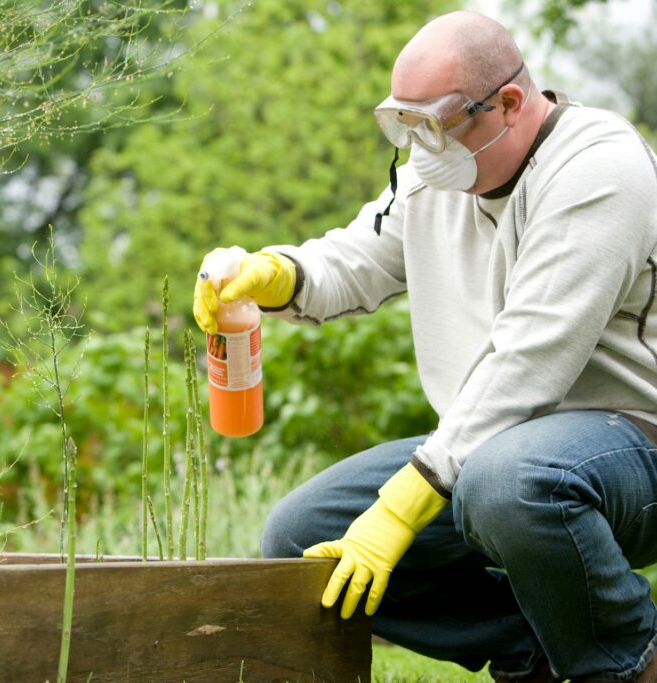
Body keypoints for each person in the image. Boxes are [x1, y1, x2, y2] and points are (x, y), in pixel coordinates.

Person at [192, 10, 657, 683]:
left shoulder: (598, 170)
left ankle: (624, 663)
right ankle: (537, 656)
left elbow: (529, 361)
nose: (419, 147)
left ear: (509, 103)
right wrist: (274, 274)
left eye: (434, 124)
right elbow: (358, 259)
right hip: (495, 444)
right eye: (403, 124)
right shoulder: (437, 173)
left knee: (506, 481)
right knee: (299, 535)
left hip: (632, 443)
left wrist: (403, 504)